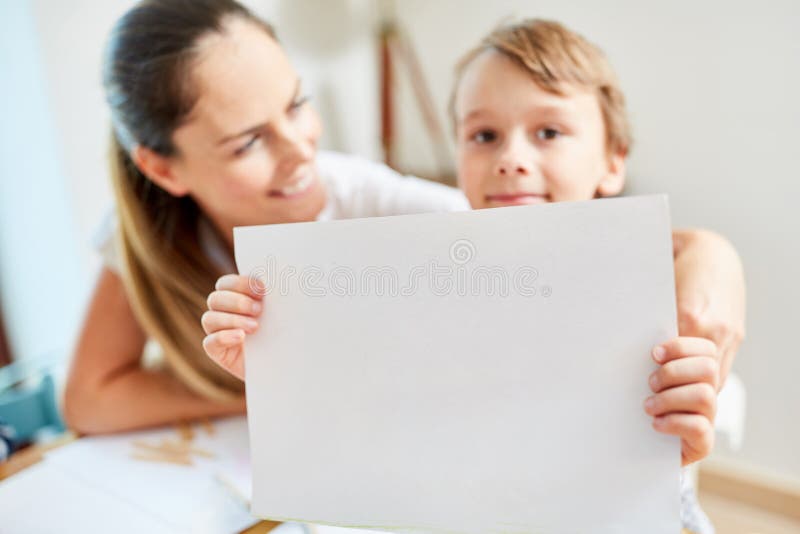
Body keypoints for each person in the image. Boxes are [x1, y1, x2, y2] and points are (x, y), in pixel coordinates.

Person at [67, 0, 744, 446]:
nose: (303, 150)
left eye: (297, 104)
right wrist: (271, 383)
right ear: (163, 170)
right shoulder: (143, 229)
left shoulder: (368, 199)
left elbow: (524, 242)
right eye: (247, 142)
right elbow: (91, 400)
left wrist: (715, 255)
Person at [203, 17, 744, 534]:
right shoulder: (429, 278)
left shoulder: (641, 294)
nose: (511, 158)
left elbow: (645, 479)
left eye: (549, 131)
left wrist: (671, 454)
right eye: (483, 136)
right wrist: (274, 368)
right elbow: (378, 416)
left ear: (612, 160)